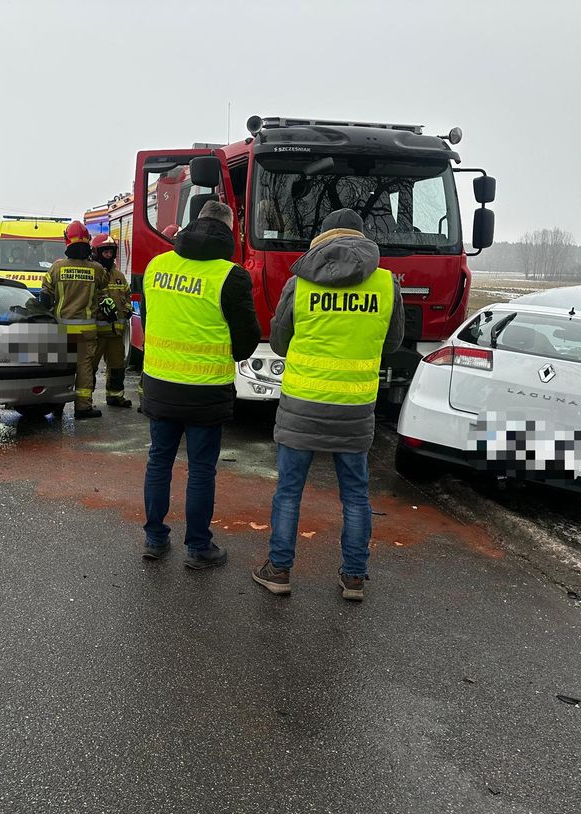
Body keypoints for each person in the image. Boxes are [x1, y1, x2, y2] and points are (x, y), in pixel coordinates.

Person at [252, 208, 404, 601]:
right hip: (355, 406)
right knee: (355, 494)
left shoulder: (299, 284)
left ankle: (279, 571)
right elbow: (391, 344)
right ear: (362, 238)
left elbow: (281, 342)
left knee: (289, 491)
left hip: (302, 404)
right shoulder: (386, 285)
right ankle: (354, 577)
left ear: (322, 238)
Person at [141, 201, 260, 569]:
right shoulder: (231, 276)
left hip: (160, 384)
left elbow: (149, 318)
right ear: (228, 231)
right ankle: (198, 547)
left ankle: (155, 539)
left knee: (159, 462)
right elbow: (246, 341)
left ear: (194, 224)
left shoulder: (156, 266)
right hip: (206, 391)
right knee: (201, 470)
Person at [40, 220, 109, 419]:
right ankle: (83, 407)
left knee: (60, 369)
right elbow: (104, 285)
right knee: (84, 368)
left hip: (62, 329)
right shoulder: (96, 269)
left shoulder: (56, 268)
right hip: (87, 331)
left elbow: (45, 298)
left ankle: (57, 406)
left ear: (66, 241)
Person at [90, 233, 132, 408]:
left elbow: (127, 297)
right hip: (96, 334)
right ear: (96, 253)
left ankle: (115, 396)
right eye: (105, 252)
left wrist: (128, 310)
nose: (108, 255)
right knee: (89, 368)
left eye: (110, 252)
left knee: (117, 366)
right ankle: (85, 400)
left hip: (116, 332)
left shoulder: (119, 276)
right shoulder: (92, 273)